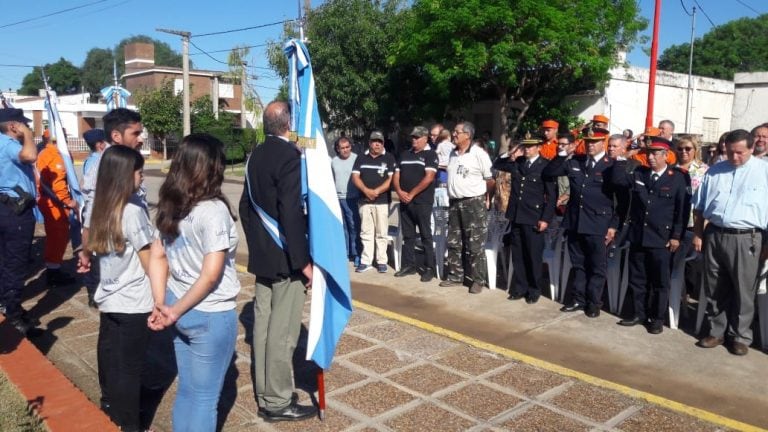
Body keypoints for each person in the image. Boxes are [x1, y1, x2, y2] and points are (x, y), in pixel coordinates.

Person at [148, 133, 240, 430]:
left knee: (187, 390)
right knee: (204, 398)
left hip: (178, 302)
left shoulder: (171, 204)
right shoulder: (213, 211)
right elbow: (211, 275)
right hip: (209, 312)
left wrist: (162, 303)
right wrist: (170, 310)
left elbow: (158, 256)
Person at [238, 101, 316, 421]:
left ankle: (265, 391)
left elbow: (245, 208)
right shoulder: (289, 157)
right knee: (282, 335)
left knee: (264, 330)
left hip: (264, 258)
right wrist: (303, 262)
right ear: (288, 124)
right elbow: (291, 214)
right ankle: (278, 402)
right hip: (286, 260)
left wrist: (259, 248)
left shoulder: (255, 154)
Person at [87, 145, 153, 431]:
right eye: (139, 173)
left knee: (111, 361)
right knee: (130, 369)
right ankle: (128, 424)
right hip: (133, 301)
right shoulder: (132, 212)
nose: (142, 179)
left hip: (109, 296)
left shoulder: (100, 206)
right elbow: (150, 261)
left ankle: (110, 409)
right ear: (126, 175)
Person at [692, 129, 768, 356]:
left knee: (744, 290)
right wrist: (698, 234)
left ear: (752, 148)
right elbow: (699, 208)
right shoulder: (715, 171)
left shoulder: (764, 172)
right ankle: (717, 332)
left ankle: (740, 336)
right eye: (730, 152)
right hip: (715, 234)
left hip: (748, 238)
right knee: (715, 287)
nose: (735, 157)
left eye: (740, 153)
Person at [612, 136, 688, 334]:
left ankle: (657, 318)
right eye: (649, 153)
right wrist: (625, 156)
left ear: (666, 155)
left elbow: (682, 210)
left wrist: (676, 236)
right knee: (638, 278)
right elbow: (617, 180)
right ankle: (639, 313)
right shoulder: (639, 173)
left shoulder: (677, 177)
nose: (651, 157)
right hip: (639, 235)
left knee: (660, 282)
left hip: (662, 239)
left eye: (655, 153)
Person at [544, 127, 618, 318]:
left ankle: (593, 302)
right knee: (578, 263)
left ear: (603, 142)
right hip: (576, 221)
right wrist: (562, 154)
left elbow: (622, 201)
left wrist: (613, 225)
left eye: (594, 141)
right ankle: (578, 298)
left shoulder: (611, 165)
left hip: (598, 223)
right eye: (587, 141)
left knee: (596, 266)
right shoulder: (576, 161)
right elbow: (549, 172)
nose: (590, 145)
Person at [78, 108, 144, 283]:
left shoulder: (127, 161)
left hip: (133, 255)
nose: (140, 139)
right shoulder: (104, 168)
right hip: (118, 263)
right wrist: (86, 255)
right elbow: (91, 220)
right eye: (135, 133)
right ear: (116, 136)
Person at [493, 134, 556, 303]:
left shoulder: (545, 166)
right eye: (525, 146)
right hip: (517, 215)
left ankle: (534, 289)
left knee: (533, 256)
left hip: (534, 217)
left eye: (530, 146)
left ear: (539, 147)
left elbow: (551, 196)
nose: (527, 149)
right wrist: (511, 152)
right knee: (518, 254)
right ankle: (519, 288)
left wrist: (545, 219)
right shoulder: (518, 163)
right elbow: (497, 164)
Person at [440, 121, 495, 294]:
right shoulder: (453, 154)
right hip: (455, 203)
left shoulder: (479, 154)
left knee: (475, 243)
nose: (454, 135)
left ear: (467, 135)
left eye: (457, 132)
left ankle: (478, 279)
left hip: (473, 203)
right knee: (454, 241)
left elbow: (490, 180)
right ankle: (456, 275)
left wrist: (488, 199)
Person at [0, 108, 38, 335]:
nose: (27, 128)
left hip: (5, 207)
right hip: (15, 210)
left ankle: (7, 303)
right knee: (15, 263)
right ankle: (13, 315)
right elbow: (30, 156)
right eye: (23, 124)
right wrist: (28, 136)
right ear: (13, 125)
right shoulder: (8, 143)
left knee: (4, 260)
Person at [393, 126, 439, 282]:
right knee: (408, 235)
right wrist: (399, 191)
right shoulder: (405, 154)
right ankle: (409, 265)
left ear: (426, 138)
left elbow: (429, 177)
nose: (414, 140)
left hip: (422, 202)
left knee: (426, 235)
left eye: (417, 137)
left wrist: (411, 193)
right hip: (405, 200)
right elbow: (396, 174)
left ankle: (429, 268)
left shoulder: (430, 154)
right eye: (413, 137)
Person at [36, 130, 78, 285]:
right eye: (63, 137)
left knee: (60, 238)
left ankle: (54, 268)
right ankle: (53, 273)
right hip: (53, 203)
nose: (66, 140)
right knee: (57, 238)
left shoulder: (60, 154)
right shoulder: (49, 155)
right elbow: (49, 183)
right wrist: (66, 201)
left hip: (58, 202)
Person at [352, 131, 396, 273]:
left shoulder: (389, 158)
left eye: (379, 141)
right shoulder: (361, 158)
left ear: (383, 143)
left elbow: (390, 180)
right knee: (366, 232)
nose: (377, 144)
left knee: (381, 232)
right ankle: (366, 261)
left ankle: (382, 261)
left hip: (382, 201)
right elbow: (355, 177)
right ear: (369, 143)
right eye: (374, 141)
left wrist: (376, 191)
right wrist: (366, 191)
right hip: (364, 201)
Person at [332, 136, 361, 267]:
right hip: (338, 198)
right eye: (342, 148)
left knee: (354, 226)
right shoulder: (333, 161)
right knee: (342, 227)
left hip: (353, 198)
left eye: (347, 147)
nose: (345, 150)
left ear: (351, 146)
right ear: (338, 149)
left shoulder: (357, 159)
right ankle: (345, 252)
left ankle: (356, 253)